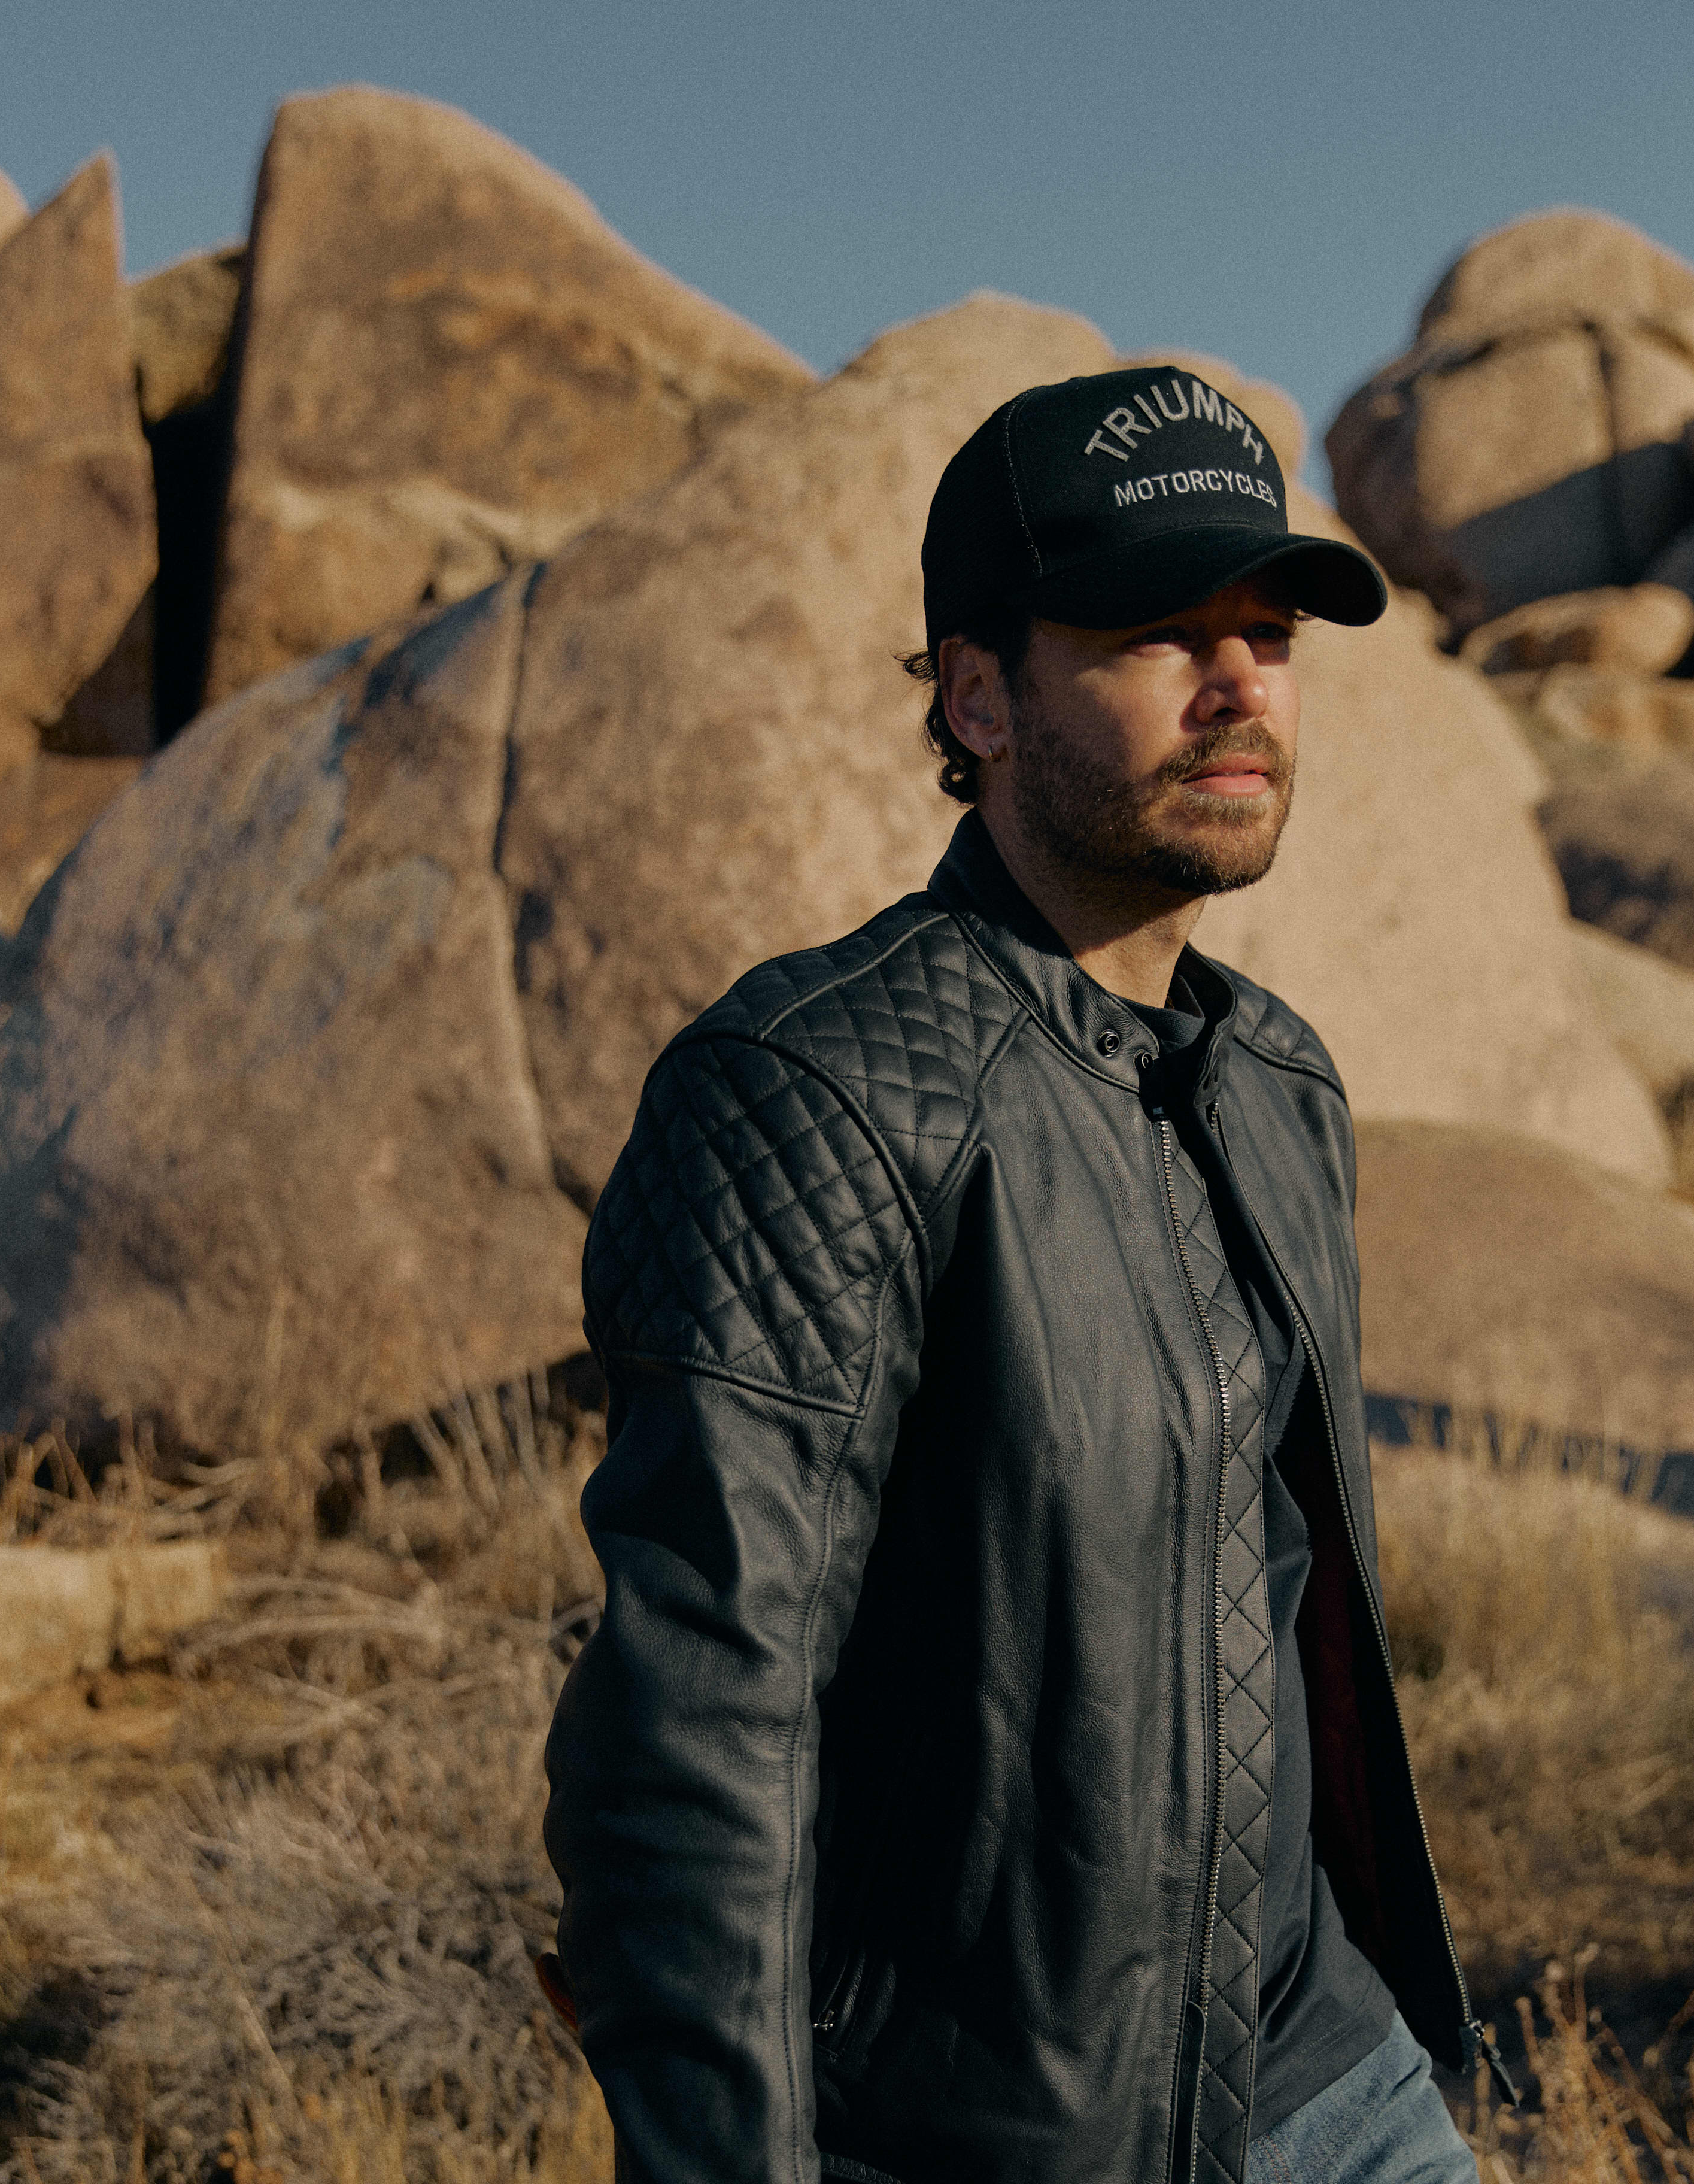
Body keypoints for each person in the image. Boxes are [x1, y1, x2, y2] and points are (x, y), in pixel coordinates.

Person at [542, 363, 1501, 2184]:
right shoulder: (812, 1093)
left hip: (1331, 2090)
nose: (1242, 689)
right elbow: (691, 1745)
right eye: (1160, 634)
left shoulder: (1280, 1079)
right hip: (992, 2138)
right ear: (978, 697)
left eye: (1270, 635)